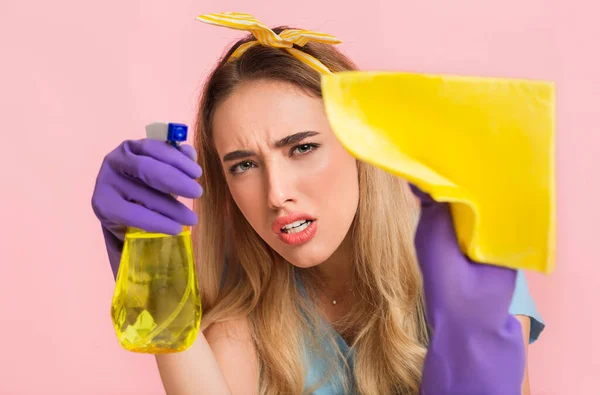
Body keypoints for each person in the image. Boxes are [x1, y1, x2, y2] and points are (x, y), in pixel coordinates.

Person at [91, 12, 545, 395]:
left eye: (302, 148)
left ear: (362, 147)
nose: (276, 194)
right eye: (244, 165)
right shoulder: (241, 320)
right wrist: (154, 280)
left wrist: (475, 354)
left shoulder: (464, 268)